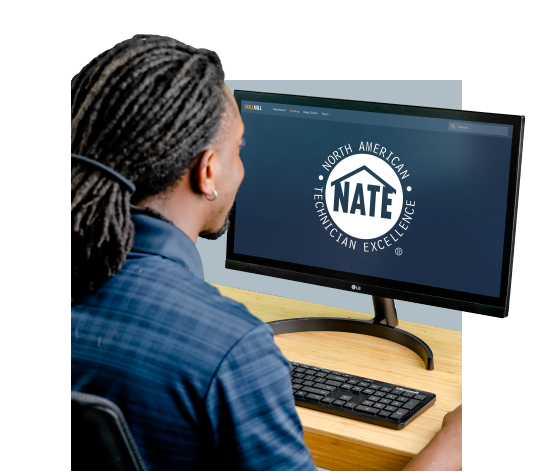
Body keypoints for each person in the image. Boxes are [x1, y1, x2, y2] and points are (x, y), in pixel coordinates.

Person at [71, 34, 461, 471]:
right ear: (207, 171)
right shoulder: (229, 348)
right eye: (238, 149)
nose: (243, 167)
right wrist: (452, 448)